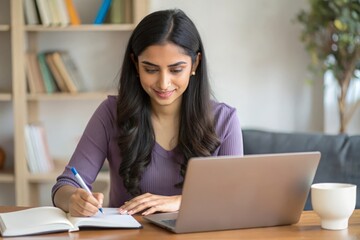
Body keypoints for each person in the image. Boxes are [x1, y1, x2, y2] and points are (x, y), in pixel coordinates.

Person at [52, 8, 243, 217]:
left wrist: (180, 202)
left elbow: (234, 199)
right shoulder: (110, 113)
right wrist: (73, 200)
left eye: (176, 70)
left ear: (195, 63)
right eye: (151, 69)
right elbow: (65, 185)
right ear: (135, 64)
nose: (163, 83)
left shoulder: (224, 120)